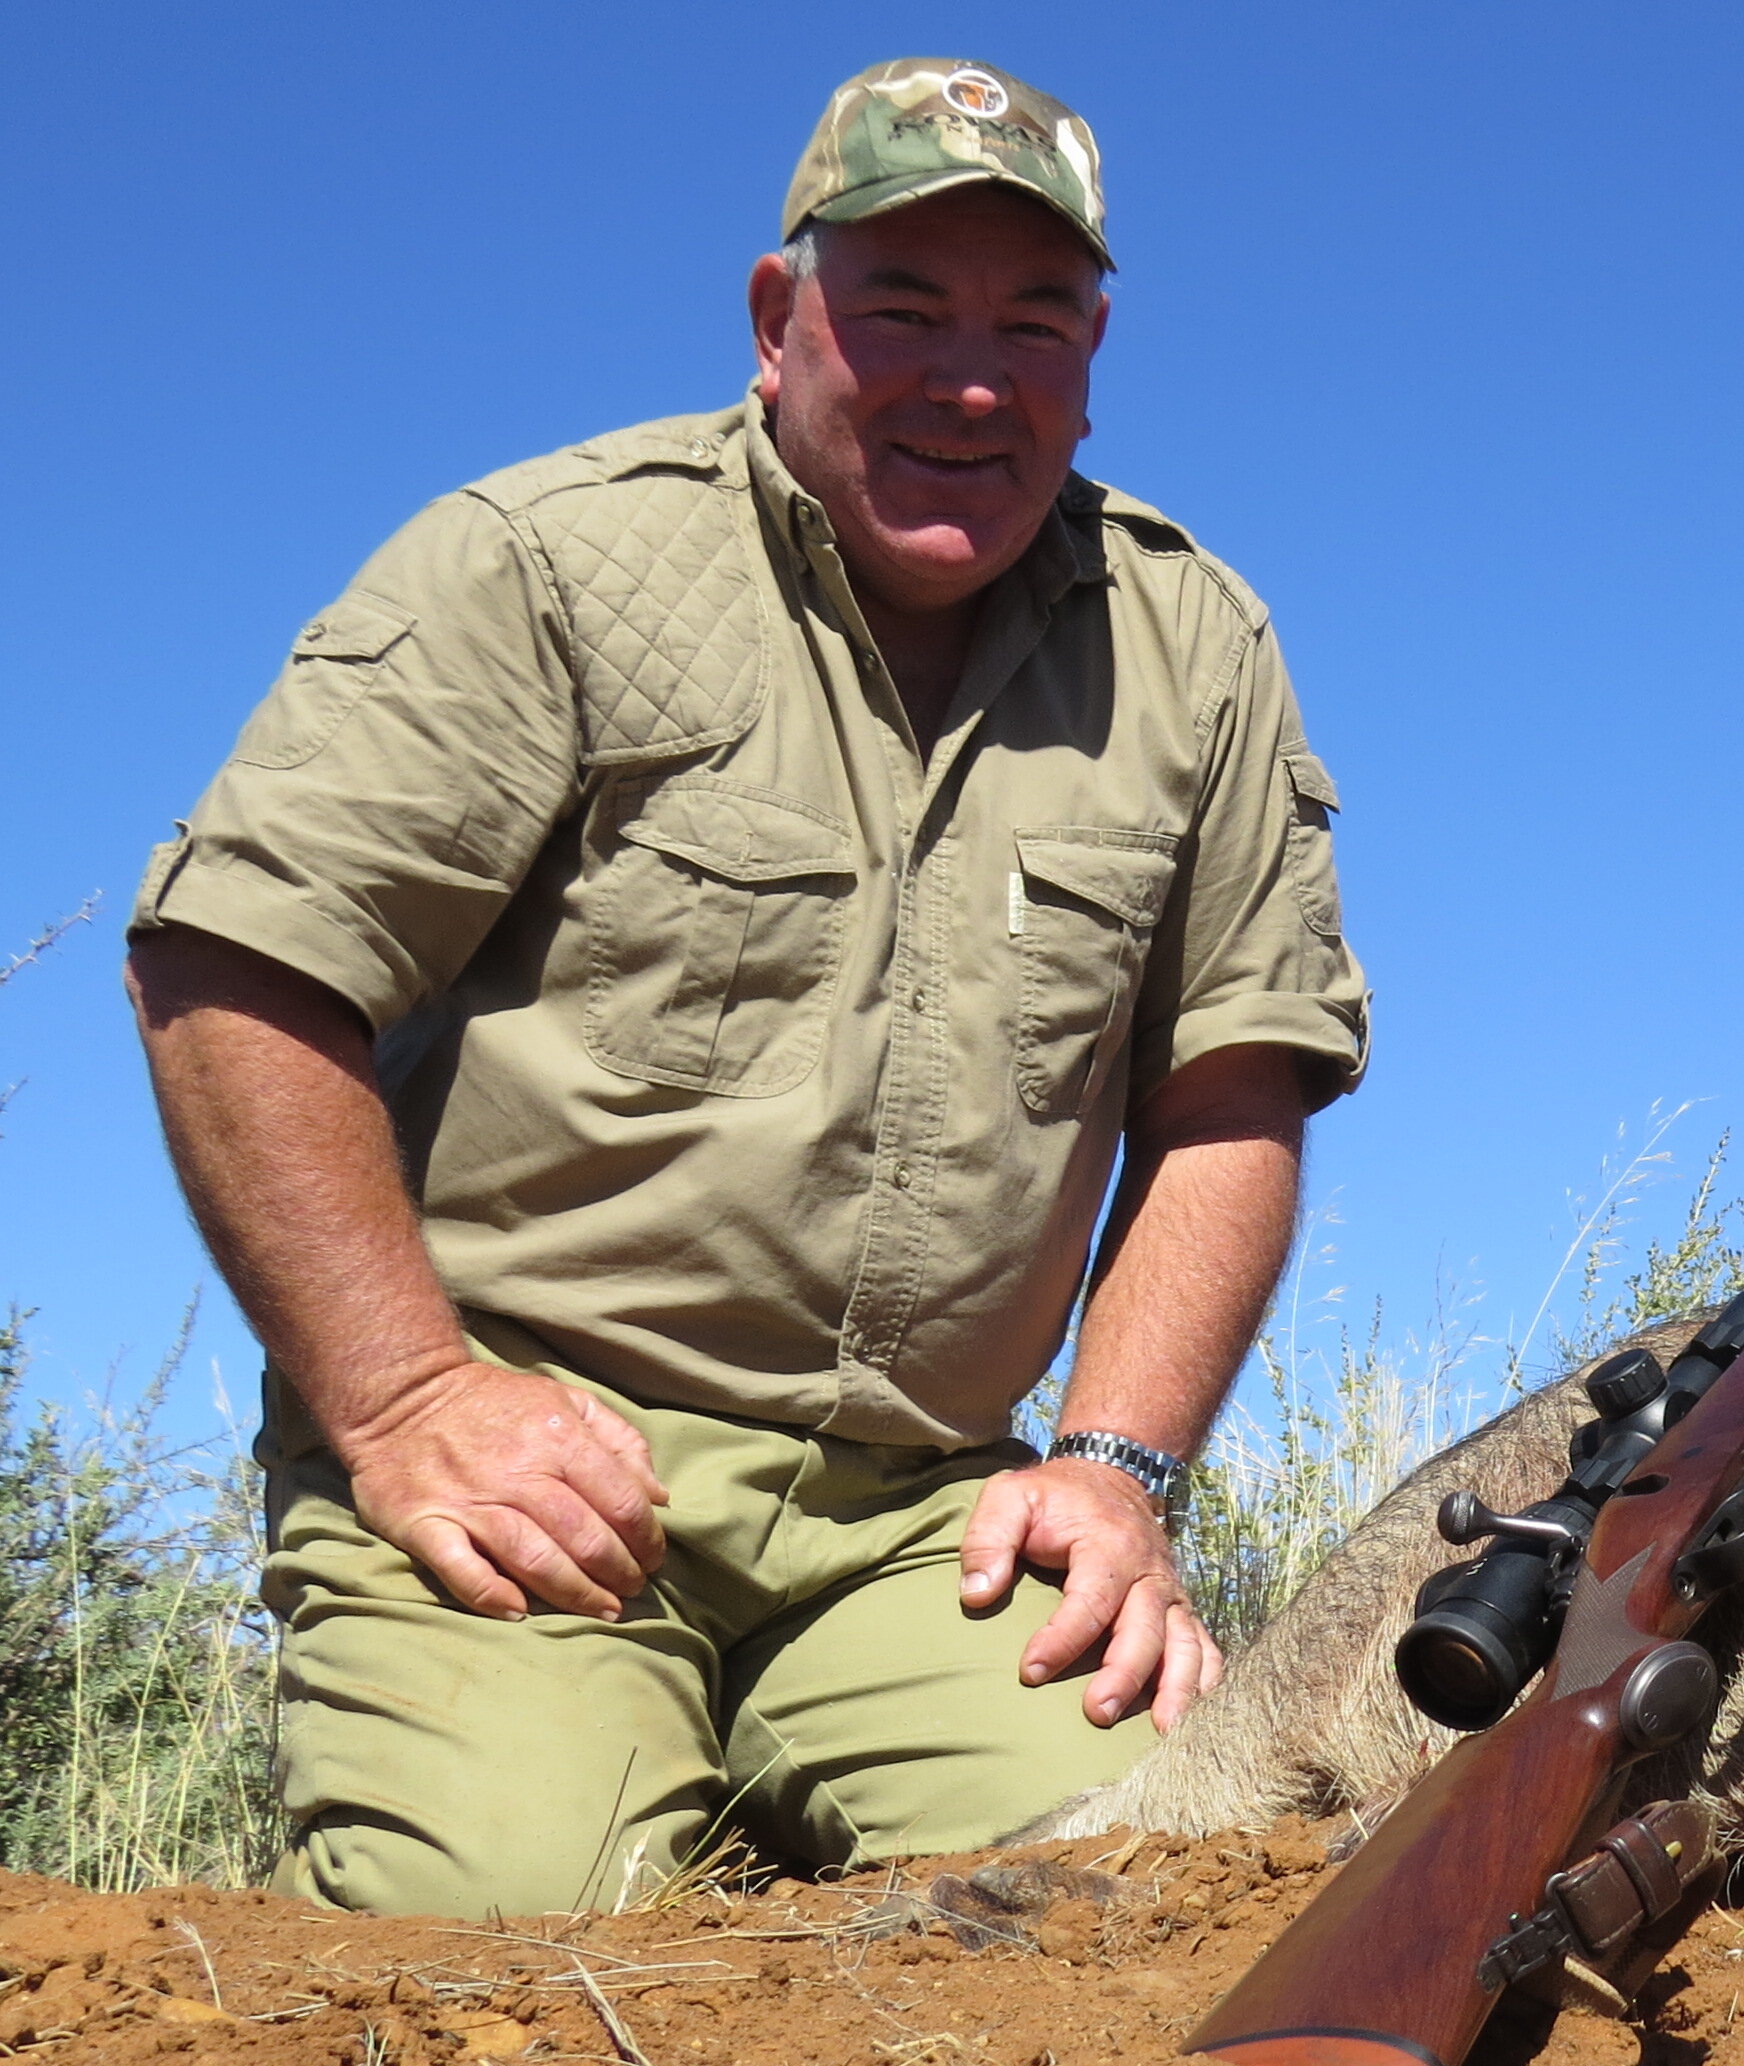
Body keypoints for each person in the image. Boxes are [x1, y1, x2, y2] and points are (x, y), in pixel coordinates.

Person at [124, 59, 1367, 1917]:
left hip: (923, 1520)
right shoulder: (546, 564)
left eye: (1034, 322)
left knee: (1183, 1887)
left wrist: (1112, 1467)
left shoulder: (1197, 645)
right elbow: (234, 965)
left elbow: (1228, 1099)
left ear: (1096, 352)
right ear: (782, 320)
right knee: (521, 1944)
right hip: (541, 1467)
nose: (972, 378)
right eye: (906, 309)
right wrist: (398, 1402)